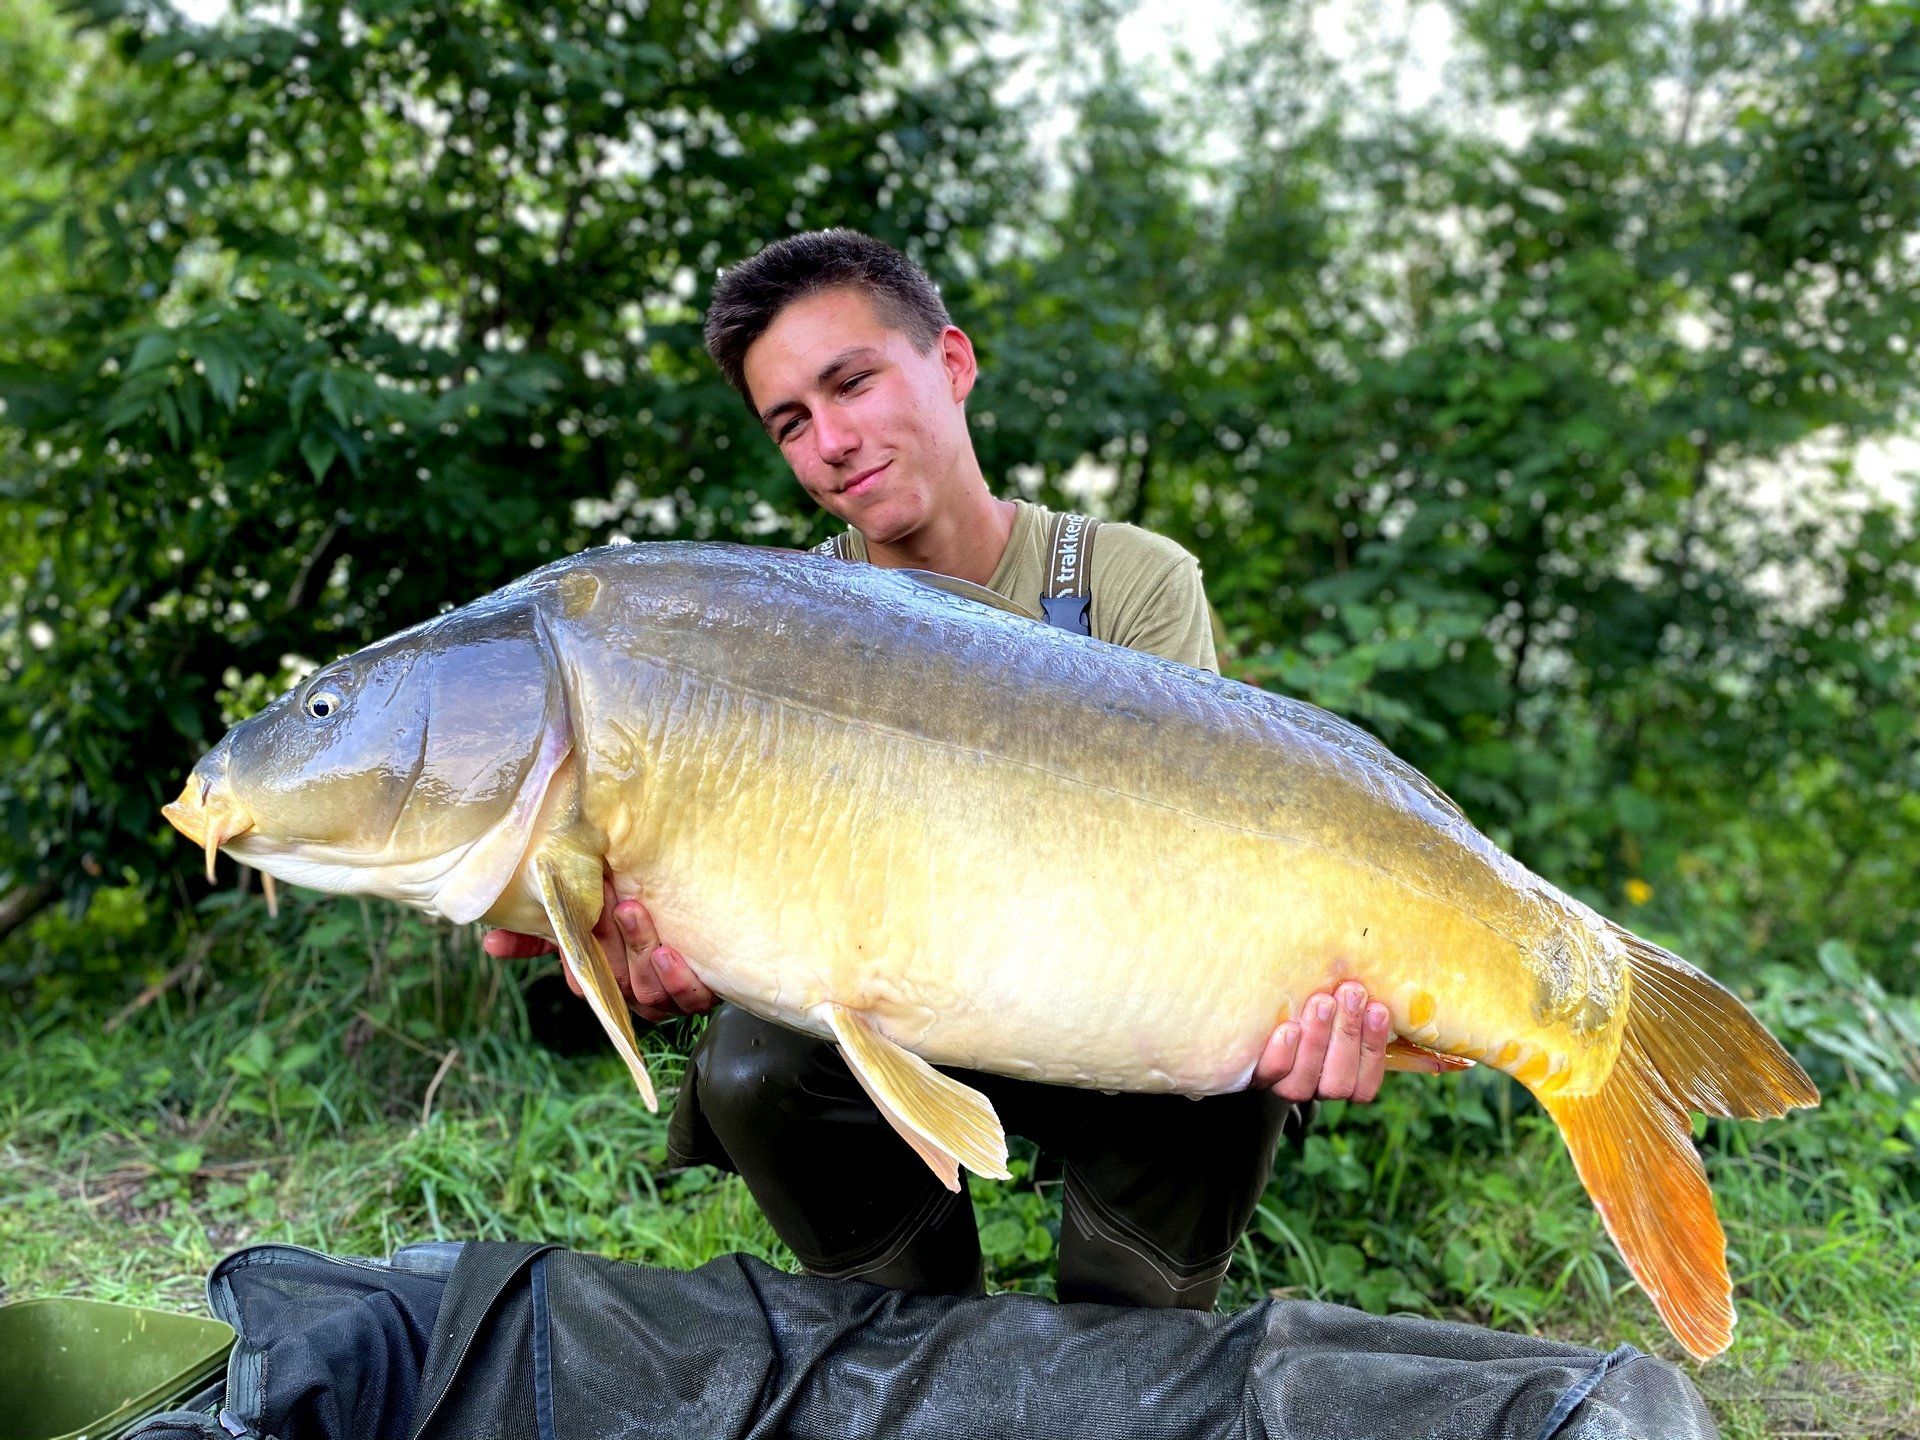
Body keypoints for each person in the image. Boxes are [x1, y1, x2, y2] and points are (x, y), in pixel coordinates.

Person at [485, 229, 1435, 1308]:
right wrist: (675, 958)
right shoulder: (777, 625)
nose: (831, 440)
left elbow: (1202, 880)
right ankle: (914, 1338)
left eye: (853, 382)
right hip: (891, 1001)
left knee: (1237, 1056)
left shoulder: (1131, 580)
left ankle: (1128, 1341)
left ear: (952, 362)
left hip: (1105, 998)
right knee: (752, 1065)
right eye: (791, 422)